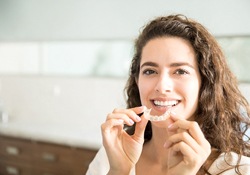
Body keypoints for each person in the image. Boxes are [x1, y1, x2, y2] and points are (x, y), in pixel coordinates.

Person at [86, 14, 250, 175]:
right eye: (150, 71)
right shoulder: (110, 158)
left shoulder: (239, 170)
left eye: (180, 71)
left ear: (205, 82)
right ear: (137, 81)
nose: (162, 86)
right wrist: (119, 171)